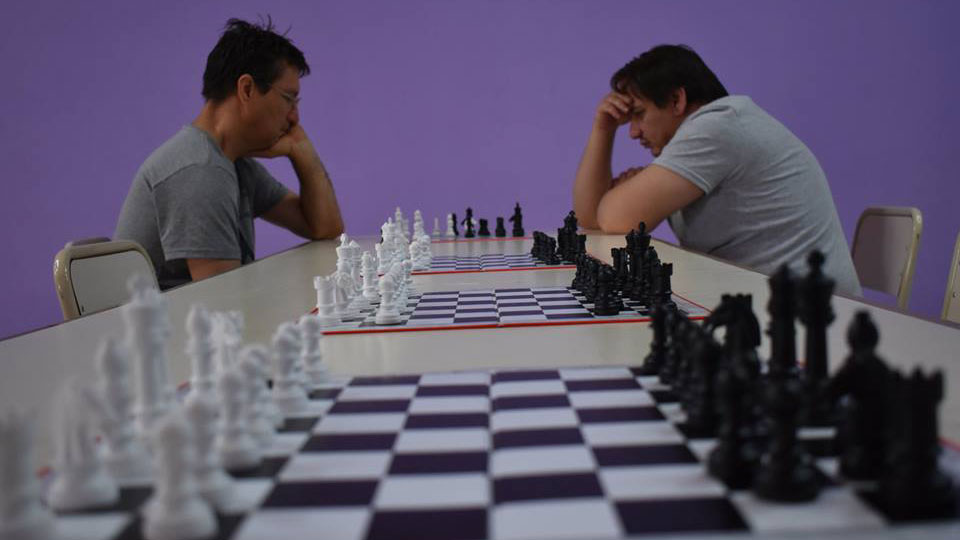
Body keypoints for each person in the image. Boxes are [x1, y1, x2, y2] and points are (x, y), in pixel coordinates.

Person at [572, 44, 861, 296]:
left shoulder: (716, 127)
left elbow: (614, 219)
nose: (633, 132)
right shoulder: (710, 134)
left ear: (676, 100)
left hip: (817, 314)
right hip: (772, 299)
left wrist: (623, 197)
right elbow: (590, 218)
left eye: (638, 114)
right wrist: (603, 129)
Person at [115, 18, 344, 290]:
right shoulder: (200, 170)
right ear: (246, 89)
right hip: (175, 319)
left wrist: (301, 150)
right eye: (288, 99)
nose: (295, 118)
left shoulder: (234, 164)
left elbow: (326, 228)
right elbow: (224, 302)